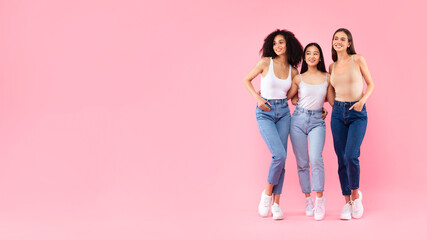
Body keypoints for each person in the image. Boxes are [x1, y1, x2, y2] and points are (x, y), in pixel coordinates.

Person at [243, 29, 303, 220]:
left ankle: (276, 204)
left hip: (283, 112)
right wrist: (258, 99)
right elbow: (246, 79)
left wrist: (318, 108)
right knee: (279, 154)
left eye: (281, 43)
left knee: (282, 159)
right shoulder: (264, 63)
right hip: (265, 112)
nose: (277, 46)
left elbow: (292, 98)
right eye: (275, 43)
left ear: (289, 45)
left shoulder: (293, 71)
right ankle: (267, 194)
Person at [328, 28, 374, 220]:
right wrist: (334, 108)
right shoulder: (331, 66)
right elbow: (330, 90)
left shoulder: (358, 59)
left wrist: (363, 100)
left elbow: (370, 84)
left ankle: (356, 195)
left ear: (349, 43)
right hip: (338, 113)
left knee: (351, 155)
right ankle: (346, 201)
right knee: (341, 158)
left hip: (357, 113)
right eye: (336, 38)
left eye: (343, 39)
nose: (338, 41)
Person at [287, 43, 333, 220]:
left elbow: (331, 100)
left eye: (315, 53)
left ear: (320, 57)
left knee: (315, 158)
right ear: (305, 57)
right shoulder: (298, 78)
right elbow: (289, 97)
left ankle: (319, 199)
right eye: (308, 53)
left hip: (316, 121)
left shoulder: (327, 77)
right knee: (302, 163)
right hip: (297, 120)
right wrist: (265, 94)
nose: (312, 56)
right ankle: (308, 199)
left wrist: (324, 108)